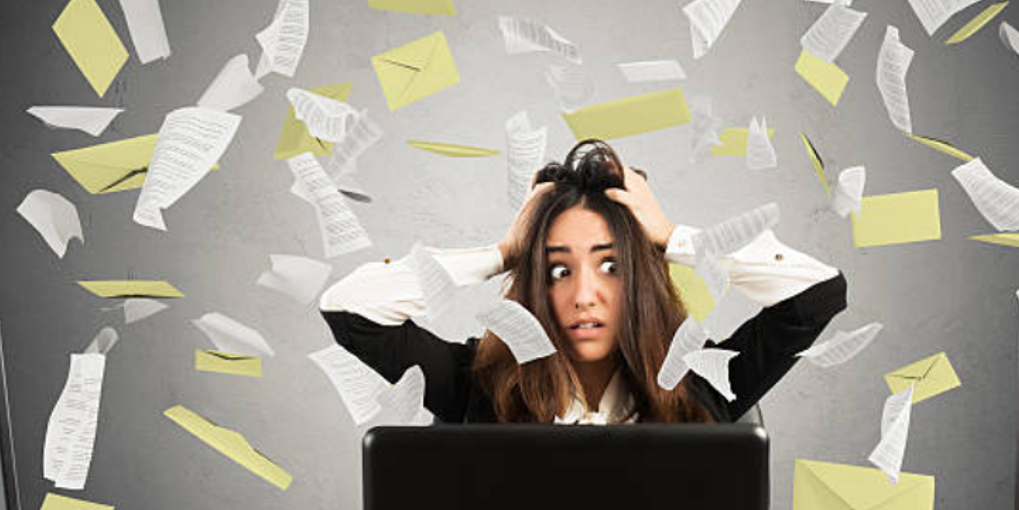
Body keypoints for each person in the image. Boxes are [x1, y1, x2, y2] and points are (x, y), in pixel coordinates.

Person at [319, 139, 847, 424]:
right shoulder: (476, 385)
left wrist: (669, 237)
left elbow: (816, 294)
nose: (584, 294)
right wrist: (505, 252)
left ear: (641, 281)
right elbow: (349, 307)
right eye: (557, 270)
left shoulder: (701, 385)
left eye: (611, 266)